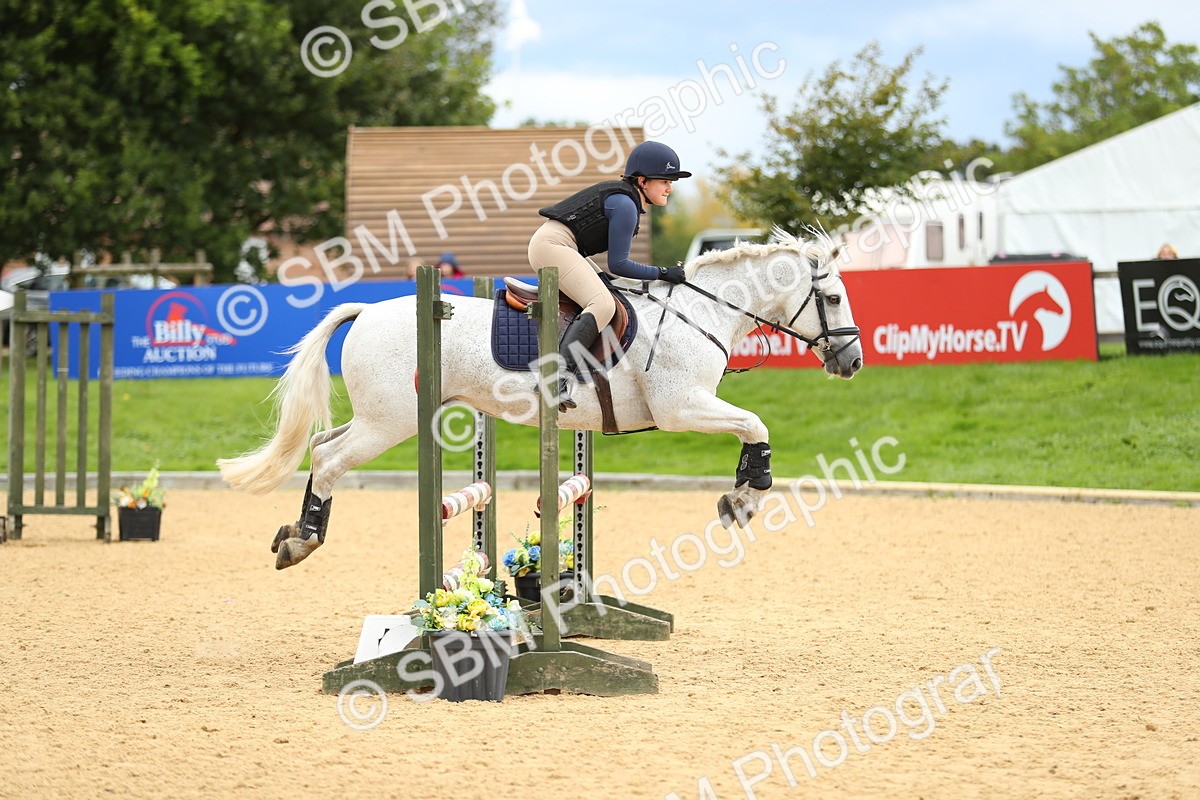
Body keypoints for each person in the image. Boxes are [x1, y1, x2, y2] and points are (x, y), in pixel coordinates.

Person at [528, 140, 690, 409]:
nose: (670, 188)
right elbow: (620, 264)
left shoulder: (627, 200)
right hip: (553, 245)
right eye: (665, 181)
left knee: (611, 291)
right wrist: (663, 273)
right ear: (643, 181)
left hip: (563, 246)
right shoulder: (625, 205)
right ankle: (553, 379)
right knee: (602, 304)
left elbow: (614, 272)